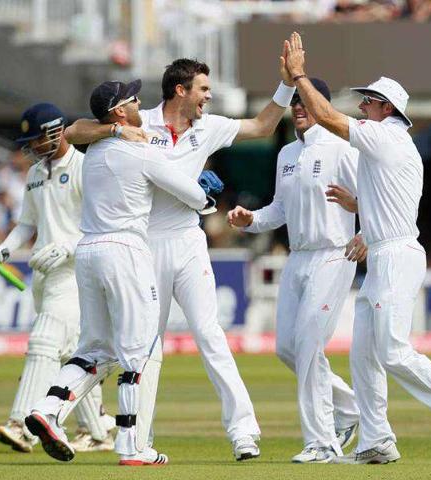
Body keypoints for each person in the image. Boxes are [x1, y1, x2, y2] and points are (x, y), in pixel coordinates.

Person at [63, 52, 299, 459]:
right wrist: (116, 134)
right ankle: (137, 440)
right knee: (144, 347)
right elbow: (74, 132)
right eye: (203, 89)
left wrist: (289, 83)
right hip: (142, 245)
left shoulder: (209, 127)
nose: (209, 96)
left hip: (188, 240)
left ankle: (243, 432)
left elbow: (263, 125)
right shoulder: (138, 121)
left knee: (210, 334)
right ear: (180, 90)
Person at [281, 32, 431, 463]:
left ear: (387, 108)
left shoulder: (388, 137)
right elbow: (393, 203)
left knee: (392, 349)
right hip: (382, 250)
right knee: (363, 355)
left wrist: (298, 76)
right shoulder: (387, 146)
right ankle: (377, 440)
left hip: (396, 255)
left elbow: (327, 117)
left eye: (368, 101)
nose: (361, 107)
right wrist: (363, 219)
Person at [24, 80, 211, 466]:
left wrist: (113, 130)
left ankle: (48, 408)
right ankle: (132, 445)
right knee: (139, 349)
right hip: (125, 250)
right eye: (132, 99)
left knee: (95, 350)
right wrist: (206, 196)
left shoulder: (91, 151)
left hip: (89, 250)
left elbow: (76, 129)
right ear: (118, 111)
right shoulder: (137, 150)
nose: (140, 102)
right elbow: (191, 195)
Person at [227, 83, 362, 463]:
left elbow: (374, 196)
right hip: (298, 258)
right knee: (287, 347)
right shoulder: (287, 153)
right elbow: (279, 210)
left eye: (306, 102)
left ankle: (322, 442)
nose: (299, 107)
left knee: (307, 346)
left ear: (323, 106)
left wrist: (367, 232)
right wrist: (250, 219)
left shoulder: (343, 147)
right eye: (295, 102)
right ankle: (350, 407)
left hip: (334, 253)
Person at [0, 103, 115, 455]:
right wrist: (1, 251)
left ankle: (22, 424)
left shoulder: (85, 167)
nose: (32, 147)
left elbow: (104, 223)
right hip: (46, 275)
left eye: (36, 139)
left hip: (77, 271)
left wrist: (68, 246)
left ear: (54, 131)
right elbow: (27, 225)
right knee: (70, 352)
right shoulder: (36, 173)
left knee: (44, 342)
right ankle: (98, 431)